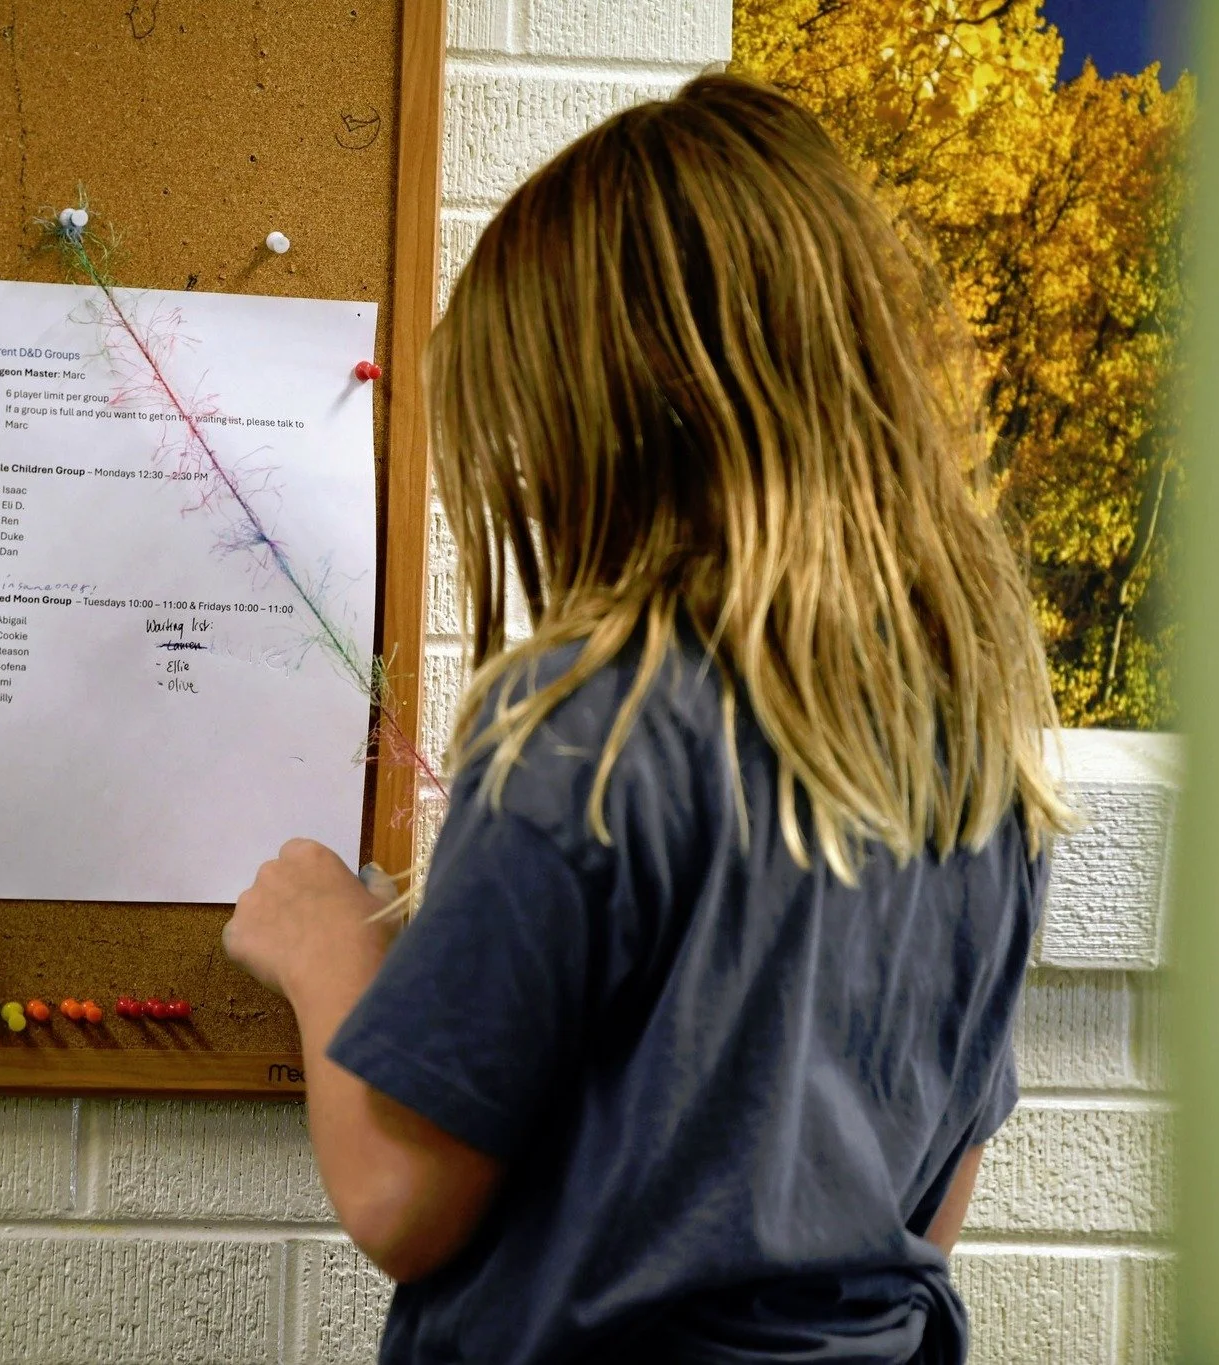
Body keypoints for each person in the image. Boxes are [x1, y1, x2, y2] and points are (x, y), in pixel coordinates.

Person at [222, 71, 1074, 1364]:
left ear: (596, 426)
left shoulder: (591, 721)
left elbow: (402, 1203)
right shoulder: (979, 756)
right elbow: (931, 1206)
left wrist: (323, 945)